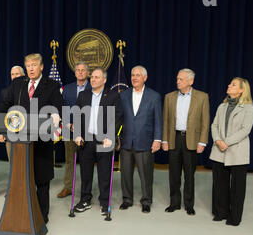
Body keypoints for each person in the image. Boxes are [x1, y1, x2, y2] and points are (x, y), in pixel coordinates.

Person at [0, 53, 63, 224]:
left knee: (41, 180)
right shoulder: (18, 83)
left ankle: (42, 215)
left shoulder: (52, 85)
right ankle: (22, 211)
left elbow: (59, 107)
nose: (31, 68)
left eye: (34, 65)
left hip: (41, 142)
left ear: (41, 67)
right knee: (21, 179)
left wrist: (56, 115)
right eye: (28, 65)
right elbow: (5, 105)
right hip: (20, 142)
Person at [73, 68, 123, 216]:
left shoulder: (113, 96)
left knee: (104, 172)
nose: (93, 79)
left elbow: (118, 117)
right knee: (86, 172)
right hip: (86, 140)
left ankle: (104, 202)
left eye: (96, 77)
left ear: (104, 80)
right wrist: (77, 134)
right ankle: (85, 200)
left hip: (104, 140)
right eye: (92, 77)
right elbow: (76, 116)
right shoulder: (83, 95)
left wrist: (111, 136)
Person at [162, 68, 210, 215]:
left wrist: (202, 142)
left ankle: (189, 204)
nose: (177, 81)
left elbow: (205, 121)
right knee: (174, 174)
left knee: (189, 174)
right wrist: (164, 140)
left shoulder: (202, 97)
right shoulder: (169, 97)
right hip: (174, 138)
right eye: (177, 79)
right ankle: (174, 203)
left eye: (181, 79)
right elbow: (166, 121)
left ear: (191, 81)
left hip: (192, 140)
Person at [209, 77, 253, 226]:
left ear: (242, 90)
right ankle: (221, 212)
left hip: (237, 151)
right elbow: (214, 125)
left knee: (237, 187)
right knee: (220, 184)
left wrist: (226, 142)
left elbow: (245, 130)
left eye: (233, 84)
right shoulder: (222, 106)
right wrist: (217, 141)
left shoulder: (248, 108)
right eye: (229, 83)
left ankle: (234, 217)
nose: (229, 86)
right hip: (219, 150)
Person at [119, 66, 162, 213]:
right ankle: (127, 199)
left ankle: (146, 200)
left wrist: (157, 139)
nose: (134, 78)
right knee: (125, 173)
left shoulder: (154, 96)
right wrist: (117, 138)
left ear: (145, 77)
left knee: (146, 174)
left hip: (145, 142)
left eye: (138, 75)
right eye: (132, 75)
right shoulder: (123, 95)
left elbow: (158, 120)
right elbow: (119, 118)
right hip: (126, 142)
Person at [57, 62, 92, 199]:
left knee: (86, 161)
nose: (80, 72)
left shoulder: (93, 87)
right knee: (69, 160)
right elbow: (63, 107)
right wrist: (68, 124)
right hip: (69, 130)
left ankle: (85, 189)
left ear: (88, 73)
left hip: (87, 131)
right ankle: (67, 188)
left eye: (83, 70)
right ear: (75, 72)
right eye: (78, 70)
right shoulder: (67, 89)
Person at [3, 66, 25, 159]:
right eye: (12, 74)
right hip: (10, 132)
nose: (15, 76)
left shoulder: (30, 90)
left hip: (26, 132)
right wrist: (3, 133)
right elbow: (3, 113)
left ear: (23, 75)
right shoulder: (5, 92)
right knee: (12, 161)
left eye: (17, 74)